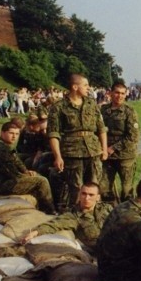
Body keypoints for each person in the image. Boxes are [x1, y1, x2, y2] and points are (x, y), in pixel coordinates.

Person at [48, 73, 108, 212]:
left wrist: (104, 149)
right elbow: (53, 134)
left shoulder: (91, 103)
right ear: (75, 87)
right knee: (76, 187)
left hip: (93, 151)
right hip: (72, 153)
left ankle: (95, 216)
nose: (88, 88)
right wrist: (58, 156)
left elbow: (101, 128)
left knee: (94, 186)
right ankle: (76, 216)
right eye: (85, 85)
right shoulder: (59, 107)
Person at [0, 121, 56, 214]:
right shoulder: (1, 148)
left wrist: (26, 171)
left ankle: (41, 207)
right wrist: (27, 176)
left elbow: (17, 161)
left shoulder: (4, 145)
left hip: (1, 181)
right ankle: (50, 210)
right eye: (11, 133)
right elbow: (11, 172)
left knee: (35, 176)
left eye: (17, 134)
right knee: (41, 181)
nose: (14, 136)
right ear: (2, 133)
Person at [21, 182, 113, 255]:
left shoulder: (107, 208)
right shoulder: (74, 216)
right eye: (84, 194)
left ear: (98, 197)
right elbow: (56, 224)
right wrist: (35, 232)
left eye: (91, 195)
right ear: (79, 195)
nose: (86, 198)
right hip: (104, 252)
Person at [101, 82, 139, 203]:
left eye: (123, 93)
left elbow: (133, 136)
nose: (120, 96)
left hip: (125, 157)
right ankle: (109, 215)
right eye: (117, 92)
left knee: (126, 190)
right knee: (104, 189)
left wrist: (113, 148)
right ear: (111, 93)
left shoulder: (129, 112)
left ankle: (126, 217)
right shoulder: (103, 110)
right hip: (107, 157)